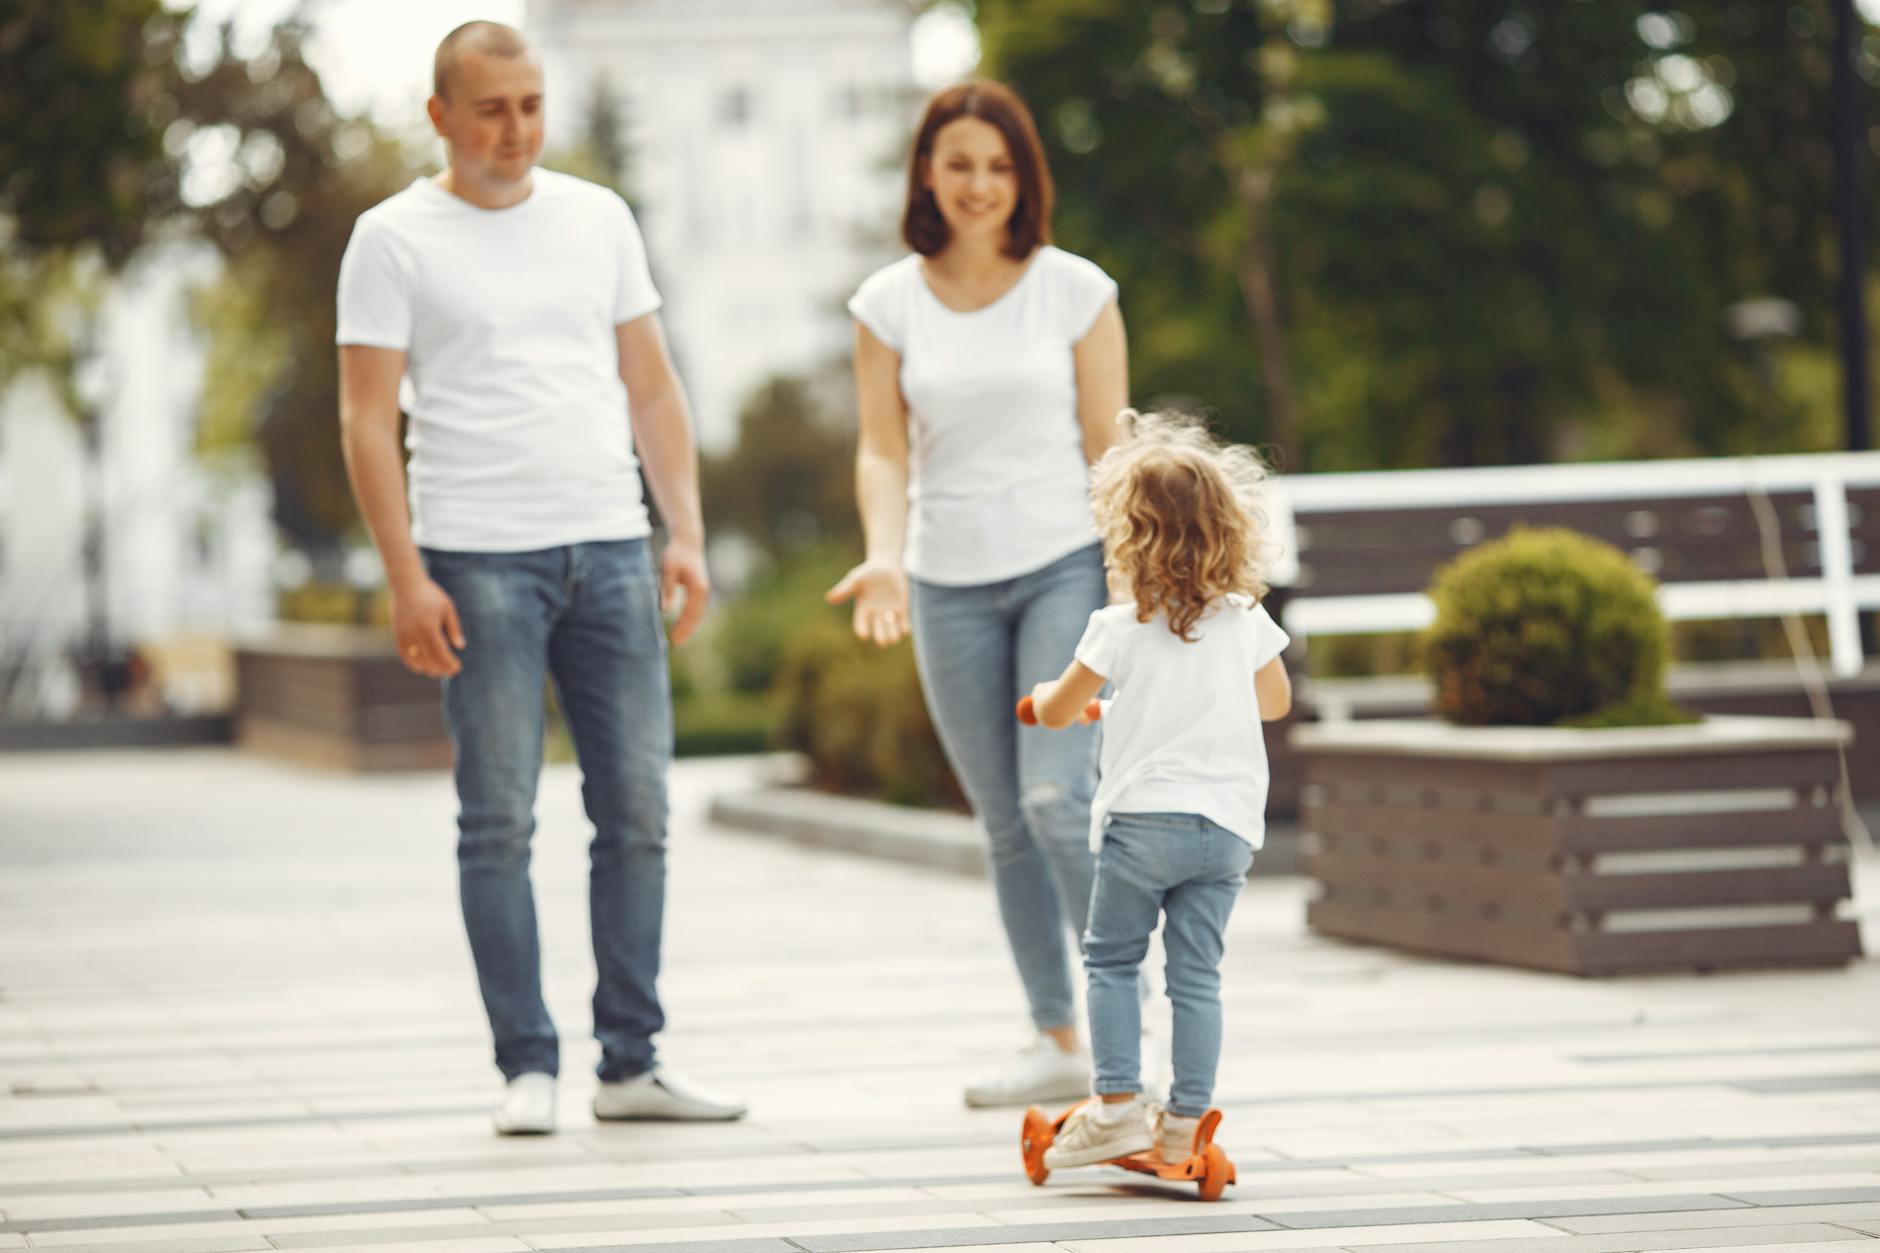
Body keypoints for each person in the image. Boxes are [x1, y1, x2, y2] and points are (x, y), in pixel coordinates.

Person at [334, 20, 744, 1136]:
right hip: (476, 562)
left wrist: (685, 530)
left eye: (529, 105)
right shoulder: (390, 239)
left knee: (640, 813)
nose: (515, 129)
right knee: (497, 820)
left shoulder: (595, 218)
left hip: (610, 548)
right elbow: (366, 420)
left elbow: (652, 388)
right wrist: (406, 574)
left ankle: (631, 1060)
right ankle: (526, 1062)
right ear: (439, 117)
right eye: (489, 109)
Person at [828, 80, 1129, 1107]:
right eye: (957, 163)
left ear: (1023, 177)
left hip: (1061, 567)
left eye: (998, 166)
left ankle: (1135, 1009)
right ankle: (1055, 1038)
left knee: (1056, 798)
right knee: (1002, 819)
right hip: (946, 583)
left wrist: (1139, 586)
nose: (978, 184)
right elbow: (880, 447)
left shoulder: (1074, 290)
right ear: (925, 171)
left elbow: (1109, 448)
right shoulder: (887, 303)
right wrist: (882, 553)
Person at [1025, 411, 1292, 1168]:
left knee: (1112, 959)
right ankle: (1183, 1123)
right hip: (1228, 831)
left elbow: (1052, 711)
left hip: (1144, 828)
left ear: (1127, 540)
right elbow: (1269, 703)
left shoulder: (1117, 626)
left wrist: (1057, 695)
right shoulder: (1245, 619)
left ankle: (1115, 1106)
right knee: (1196, 975)